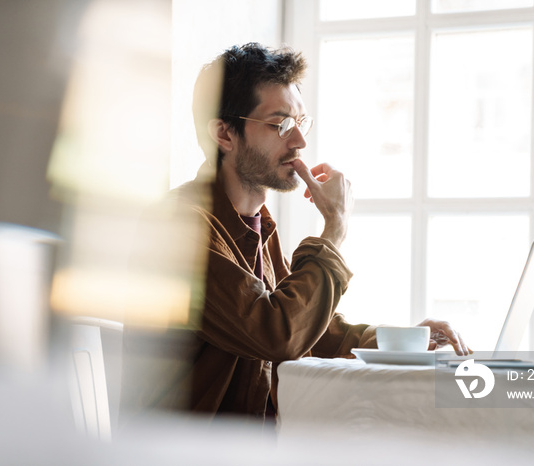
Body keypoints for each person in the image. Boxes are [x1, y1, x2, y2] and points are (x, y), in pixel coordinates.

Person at [127, 42, 470, 423]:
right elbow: (278, 334)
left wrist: (404, 341)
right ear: (224, 134)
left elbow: (315, 331)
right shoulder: (176, 226)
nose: (299, 142)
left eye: (301, 123)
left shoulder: (259, 226)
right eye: (281, 124)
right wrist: (334, 229)